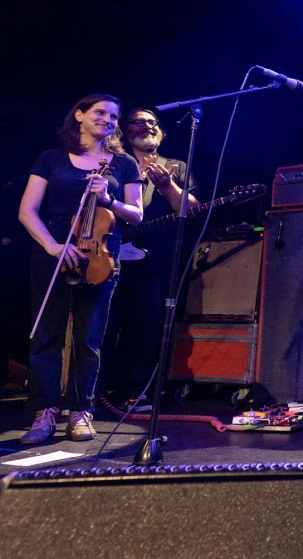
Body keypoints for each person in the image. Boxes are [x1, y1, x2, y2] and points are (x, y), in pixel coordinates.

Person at [18, 93, 143, 444]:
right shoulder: (51, 159)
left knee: (88, 337)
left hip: (100, 252)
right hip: (54, 248)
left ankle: (81, 411)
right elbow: (27, 210)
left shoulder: (123, 164)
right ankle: (44, 412)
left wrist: (108, 199)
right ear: (79, 115)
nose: (108, 119)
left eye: (114, 116)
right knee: (47, 335)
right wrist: (53, 245)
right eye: (100, 112)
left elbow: (136, 214)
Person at [99, 108, 200, 412]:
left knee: (144, 328)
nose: (147, 127)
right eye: (139, 122)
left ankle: (134, 392)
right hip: (107, 254)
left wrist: (167, 186)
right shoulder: (114, 164)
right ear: (125, 130)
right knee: (103, 325)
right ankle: (92, 393)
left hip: (154, 260)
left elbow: (192, 210)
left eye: (153, 123)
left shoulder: (176, 167)